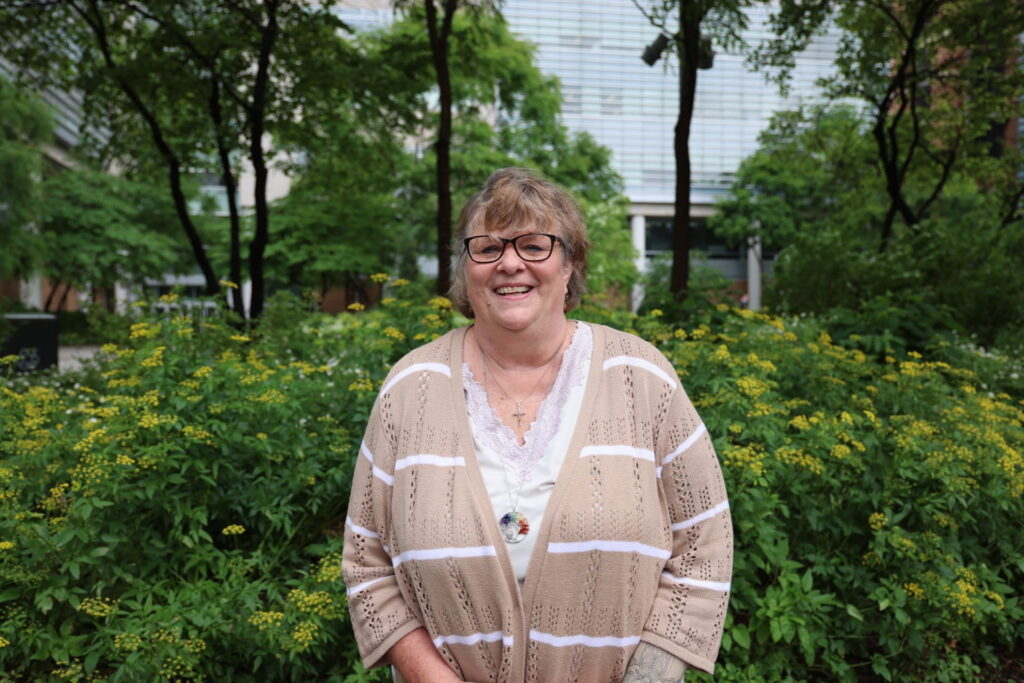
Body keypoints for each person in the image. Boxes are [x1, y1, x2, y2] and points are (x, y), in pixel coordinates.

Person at [343, 168, 733, 682]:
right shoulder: (409, 387)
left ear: (570, 263)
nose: (509, 263)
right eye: (487, 247)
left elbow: (705, 544)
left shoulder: (642, 377)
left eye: (534, 245)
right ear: (467, 267)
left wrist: (650, 678)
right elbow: (367, 562)